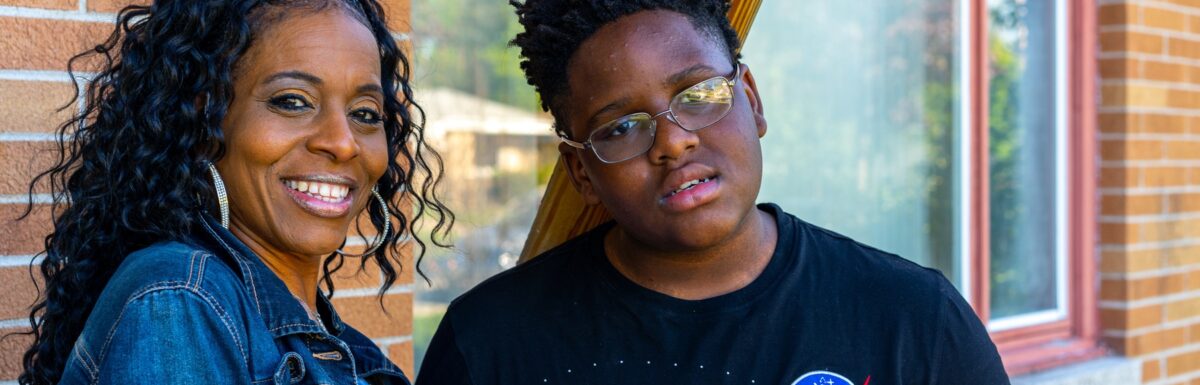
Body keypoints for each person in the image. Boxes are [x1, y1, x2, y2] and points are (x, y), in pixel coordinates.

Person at [416, 0, 1008, 384]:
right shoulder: (490, 346)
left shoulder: (912, 320)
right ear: (580, 173)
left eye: (698, 96)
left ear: (750, 99)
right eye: (621, 127)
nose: (671, 144)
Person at [16, 1, 451, 384]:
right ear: (205, 121)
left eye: (364, 113)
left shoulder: (322, 339)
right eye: (293, 101)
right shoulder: (177, 303)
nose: (343, 142)